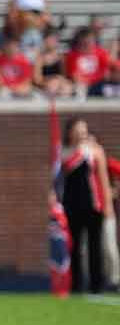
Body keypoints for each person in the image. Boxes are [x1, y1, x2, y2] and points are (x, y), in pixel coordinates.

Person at [58, 119, 114, 293]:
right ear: (70, 132)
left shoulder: (95, 151)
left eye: (84, 130)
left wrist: (107, 205)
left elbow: (103, 178)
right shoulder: (65, 152)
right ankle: (76, 284)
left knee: (95, 246)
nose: (81, 134)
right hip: (72, 205)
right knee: (75, 247)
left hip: (93, 204)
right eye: (78, 130)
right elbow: (62, 172)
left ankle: (96, 285)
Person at [65, 27, 112, 97]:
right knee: (77, 89)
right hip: (81, 85)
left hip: (98, 83)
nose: (88, 45)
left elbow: (105, 73)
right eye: (85, 43)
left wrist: (91, 80)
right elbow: (74, 75)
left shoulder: (101, 53)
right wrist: (84, 82)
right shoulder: (73, 55)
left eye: (90, 42)